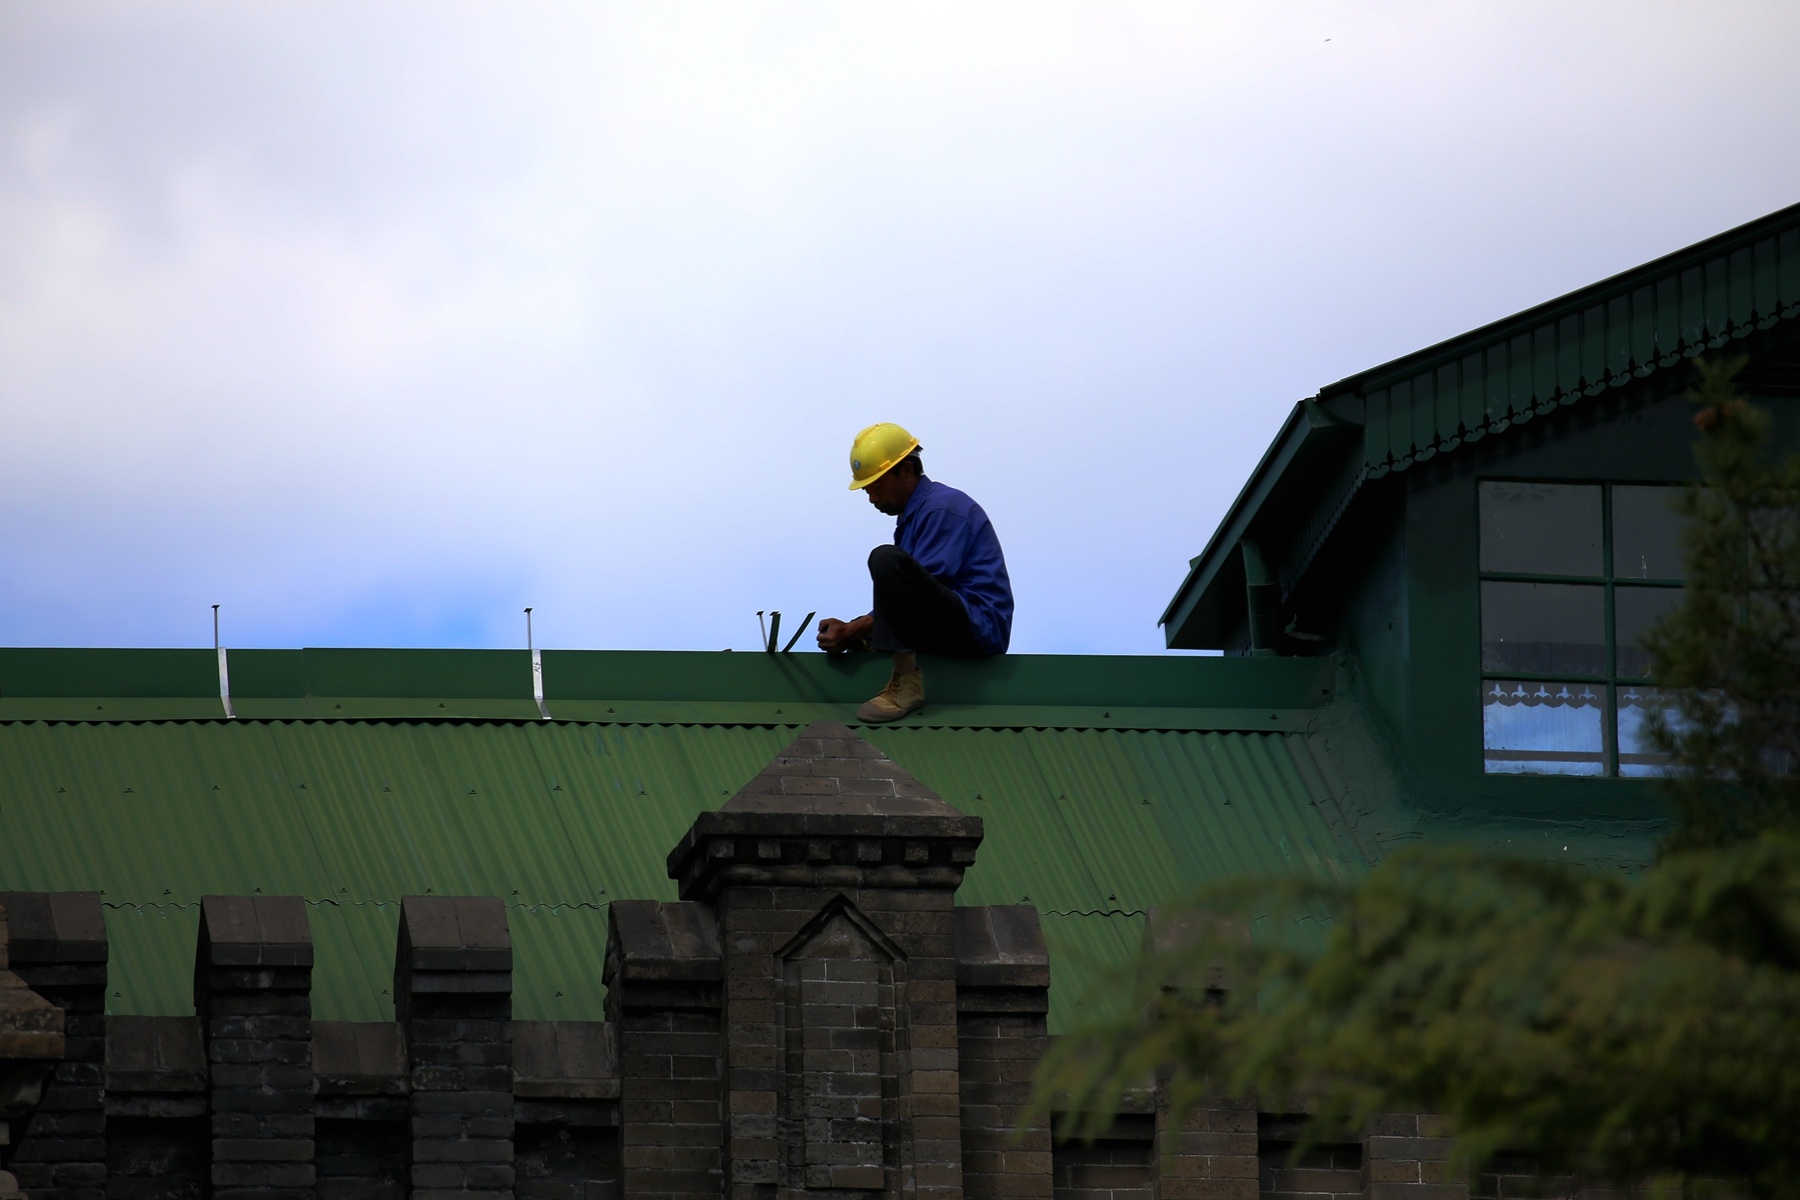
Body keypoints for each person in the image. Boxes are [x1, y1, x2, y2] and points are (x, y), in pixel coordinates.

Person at [816, 422, 1013, 722]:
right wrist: (858, 629)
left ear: (907, 470)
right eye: (868, 490)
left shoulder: (941, 508)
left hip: (977, 625)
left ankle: (905, 685)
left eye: (877, 487)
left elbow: (920, 591)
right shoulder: (915, 515)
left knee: (885, 559)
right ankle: (873, 645)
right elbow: (905, 599)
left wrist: (855, 629)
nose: (872, 498)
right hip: (948, 621)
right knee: (890, 567)